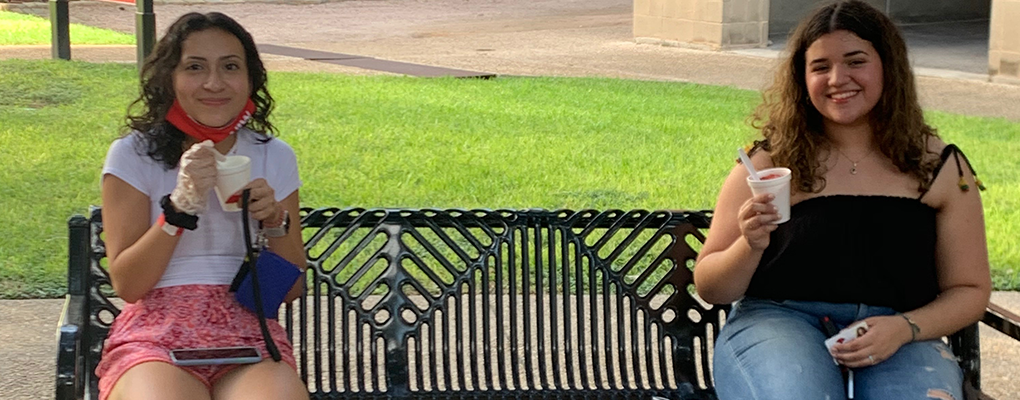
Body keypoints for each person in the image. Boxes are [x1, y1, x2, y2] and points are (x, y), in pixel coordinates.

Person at [693, 1, 991, 399]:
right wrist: (750, 243)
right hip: (778, 323)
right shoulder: (769, 163)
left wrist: (905, 328)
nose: (838, 79)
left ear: (888, 67)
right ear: (802, 78)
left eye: (855, 62)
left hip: (899, 331)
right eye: (820, 67)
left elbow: (969, 288)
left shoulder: (937, 167)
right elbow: (711, 287)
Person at [95, 12, 308, 400]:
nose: (214, 83)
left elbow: (291, 287)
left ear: (250, 79)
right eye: (195, 67)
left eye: (230, 67)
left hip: (247, 333)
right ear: (170, 78)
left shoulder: (273, 156)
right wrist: (179, 209)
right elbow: (129, 284)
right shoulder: (132, 155)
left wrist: (276, 221)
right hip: (155, 337)